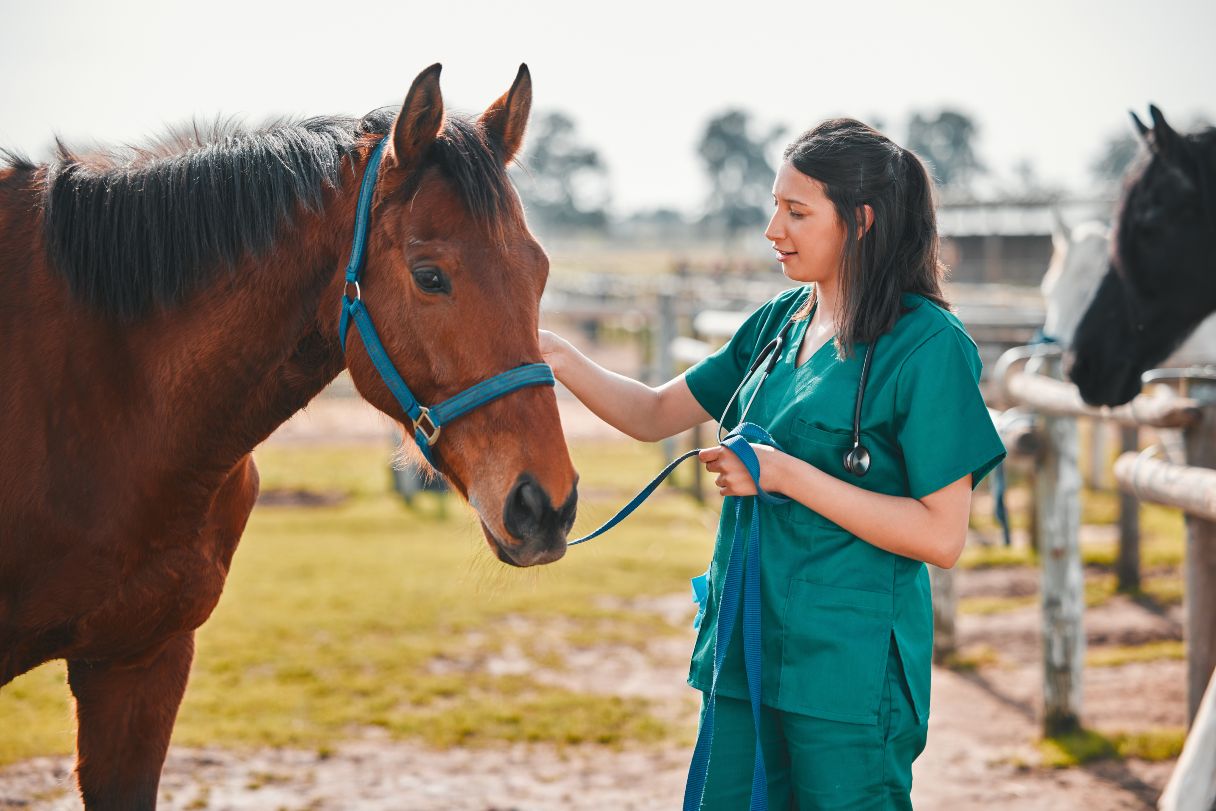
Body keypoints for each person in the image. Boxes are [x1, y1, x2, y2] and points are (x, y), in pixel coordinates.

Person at [538, 118, 1007, 810]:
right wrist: (557, 355)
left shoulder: (929, 346)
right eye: (774, 207)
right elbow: (652, 413)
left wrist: (783, 474)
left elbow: (941, 535)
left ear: (861, 220)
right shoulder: (777, 323)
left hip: (847, 675)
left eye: (796, 211)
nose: (772, 229)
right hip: (743, 650)